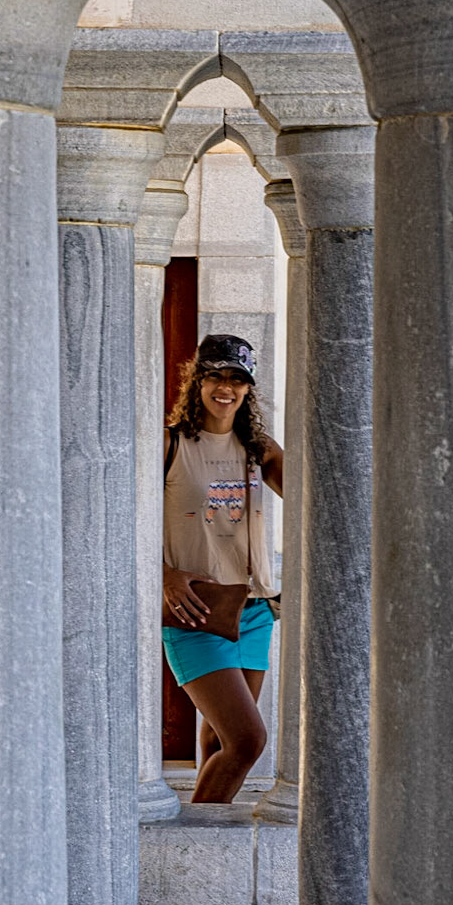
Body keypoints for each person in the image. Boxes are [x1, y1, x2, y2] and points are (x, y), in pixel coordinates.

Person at [162, 334, 285, 803]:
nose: (225, 387)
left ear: (248, 389)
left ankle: (205, 825)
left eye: (237, 378)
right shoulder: (170, 445)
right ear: (197, 382)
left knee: (218, 739)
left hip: (254, 610)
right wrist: (164, 574)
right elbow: (121, 518)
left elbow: (315, 493)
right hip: (197, 610)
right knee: (247, 740)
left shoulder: (258, 448)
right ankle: (198, 837)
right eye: (215, 376)